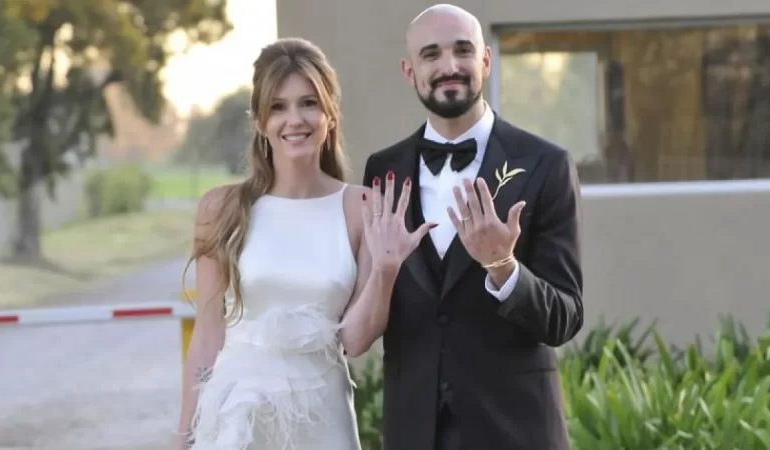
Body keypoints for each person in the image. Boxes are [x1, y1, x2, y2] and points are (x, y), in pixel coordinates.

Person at [175, 37, 434, 450]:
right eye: (278, 107)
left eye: (308, 103)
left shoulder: (363, 207)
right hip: (238, 420)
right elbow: (207, 337)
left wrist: (385, 274)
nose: (294, 119)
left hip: (324, 421)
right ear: (260, 121)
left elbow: (354, 341)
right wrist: (183, 439)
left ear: (330, 114)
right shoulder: (221, 208)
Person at [362, 4, 584, 450]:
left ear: (485, 60)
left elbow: (565, 318)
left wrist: (504, 267)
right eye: (431, 54)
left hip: (515, 431)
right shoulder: (383, 170)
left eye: (463, 50)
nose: (449, 66)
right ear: (410, 71)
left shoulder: (545, 164)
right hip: (415, 432)